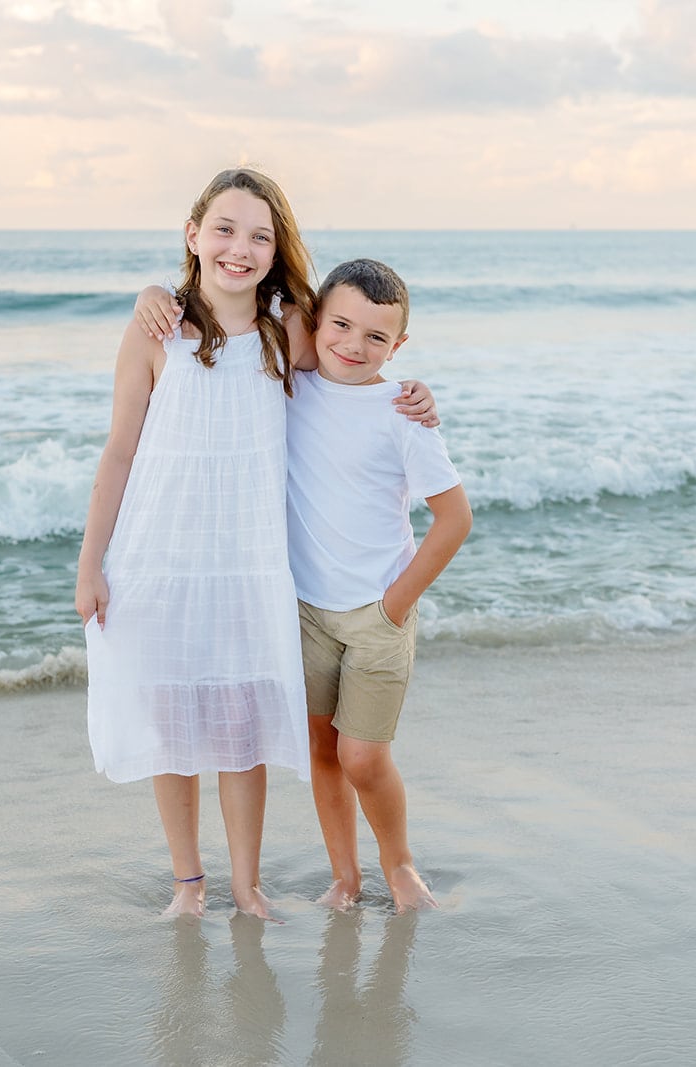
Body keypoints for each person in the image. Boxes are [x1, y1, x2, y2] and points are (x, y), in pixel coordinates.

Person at [76, 170, 436, 921]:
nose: (239, 248)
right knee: (174, 728)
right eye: (225, 229)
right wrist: (91, 563)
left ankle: (246, 886)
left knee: (241, 730)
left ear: (277, 251)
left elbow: (352, 367)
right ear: (193, 234)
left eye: (260, 236)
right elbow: (119, 450)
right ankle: (189, 883)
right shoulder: (155, 331)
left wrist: (414, 394)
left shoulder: (287, 329)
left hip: (250, 566)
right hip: (158, 560)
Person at [286, 259, 472, 913]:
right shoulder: (289, 387)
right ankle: (345, 876)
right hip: (305, 609)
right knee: (322, 749)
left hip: (377, 615)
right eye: (340, 324)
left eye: (376, 337)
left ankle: (400, 866)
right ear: (316, 319)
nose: (353, 345)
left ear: (399, 346)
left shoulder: (401, 413)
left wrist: (395, 605)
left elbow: (454, 518)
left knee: (363, 757)